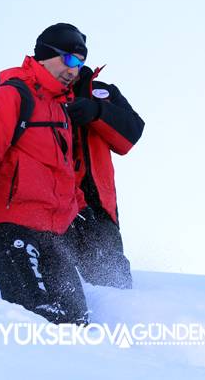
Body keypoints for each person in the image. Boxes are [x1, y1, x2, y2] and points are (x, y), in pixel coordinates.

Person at [0, 22, 89, 324]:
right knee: (38, 317)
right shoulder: (9, 96)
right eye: (69, 60)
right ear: (45, 56)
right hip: (7, 227)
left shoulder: (61, 110)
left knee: (79, 321)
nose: (75, 70)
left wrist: (79, 212)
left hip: (51, 234)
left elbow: (63, 172)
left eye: (80, 63)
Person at [66, 64, 144, 288]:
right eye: (67, 55)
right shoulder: (42, 92)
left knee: (113, 282)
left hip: (101, 204)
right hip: (57, 200)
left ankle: (121, 319)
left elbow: (131, 133)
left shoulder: (104, 92)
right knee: (62, 278)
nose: (72, 63)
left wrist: (97, 111)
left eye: (77, 57)